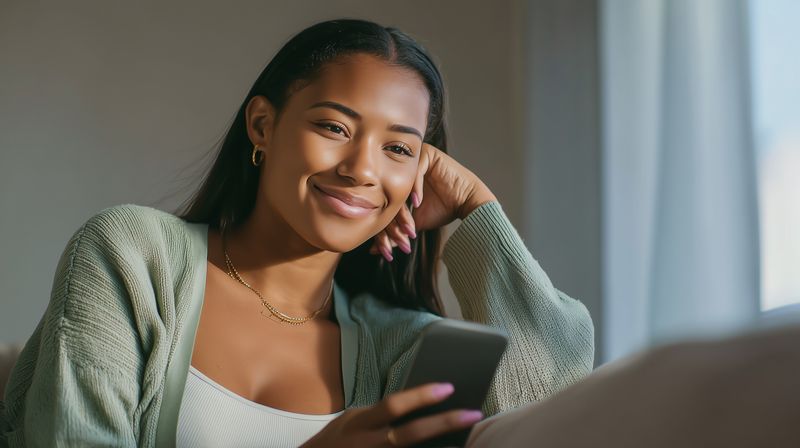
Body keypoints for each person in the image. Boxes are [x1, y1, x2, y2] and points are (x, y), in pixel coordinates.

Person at [0, 18, 594, 447]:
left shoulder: (400, 344)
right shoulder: (132, 255)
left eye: (397, 148)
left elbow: (559, 405)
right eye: (335, 126)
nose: (362, 169)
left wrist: (476, 208)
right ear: (263, 125)